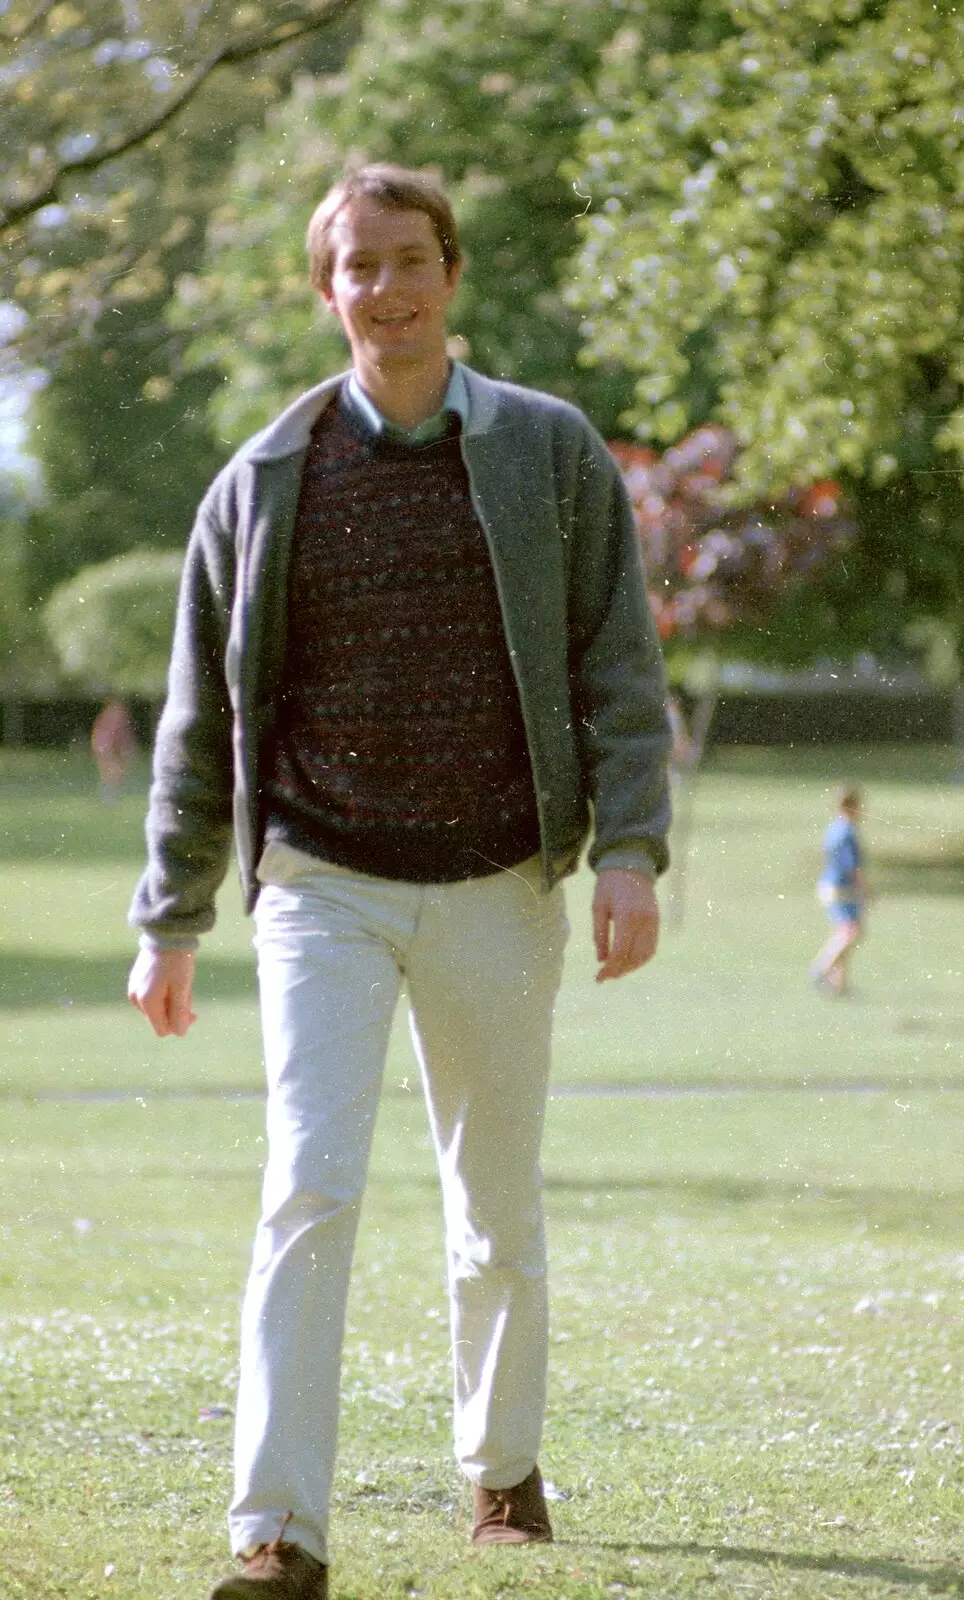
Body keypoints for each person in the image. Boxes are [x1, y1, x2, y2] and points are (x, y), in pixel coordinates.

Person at [126, 161, 672, 1599]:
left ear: (452, 273)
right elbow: (203, 718)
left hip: (499, 879)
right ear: (329, 291)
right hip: (324, 881)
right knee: (307, 1186)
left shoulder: (551, 453)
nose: (389, 286)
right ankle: (278, 1532)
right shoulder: (262, 480)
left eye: (411, 257)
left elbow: (618, 663)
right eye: (359, 265)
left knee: (492, 1203)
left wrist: (629, 850)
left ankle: (500, 1470)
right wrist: (168, 917)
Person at [810, 783, 867, 996]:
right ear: (853, 806)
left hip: (828, 885)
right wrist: (866, 891)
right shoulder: (848, 832)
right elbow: (854, 867)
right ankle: (821, 969)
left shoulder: (834, 828)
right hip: (842, 888)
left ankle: (839, 986)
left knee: (842, 932)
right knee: (851, 932)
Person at [91, 697, 137, 799]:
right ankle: (108, 794)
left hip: (105, 744)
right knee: (114, 769)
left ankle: (109, 793)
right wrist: (128, 746)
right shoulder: (117, 715)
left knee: (112, 770)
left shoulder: (110, 714)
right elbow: (119, 733)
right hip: (107, 744)